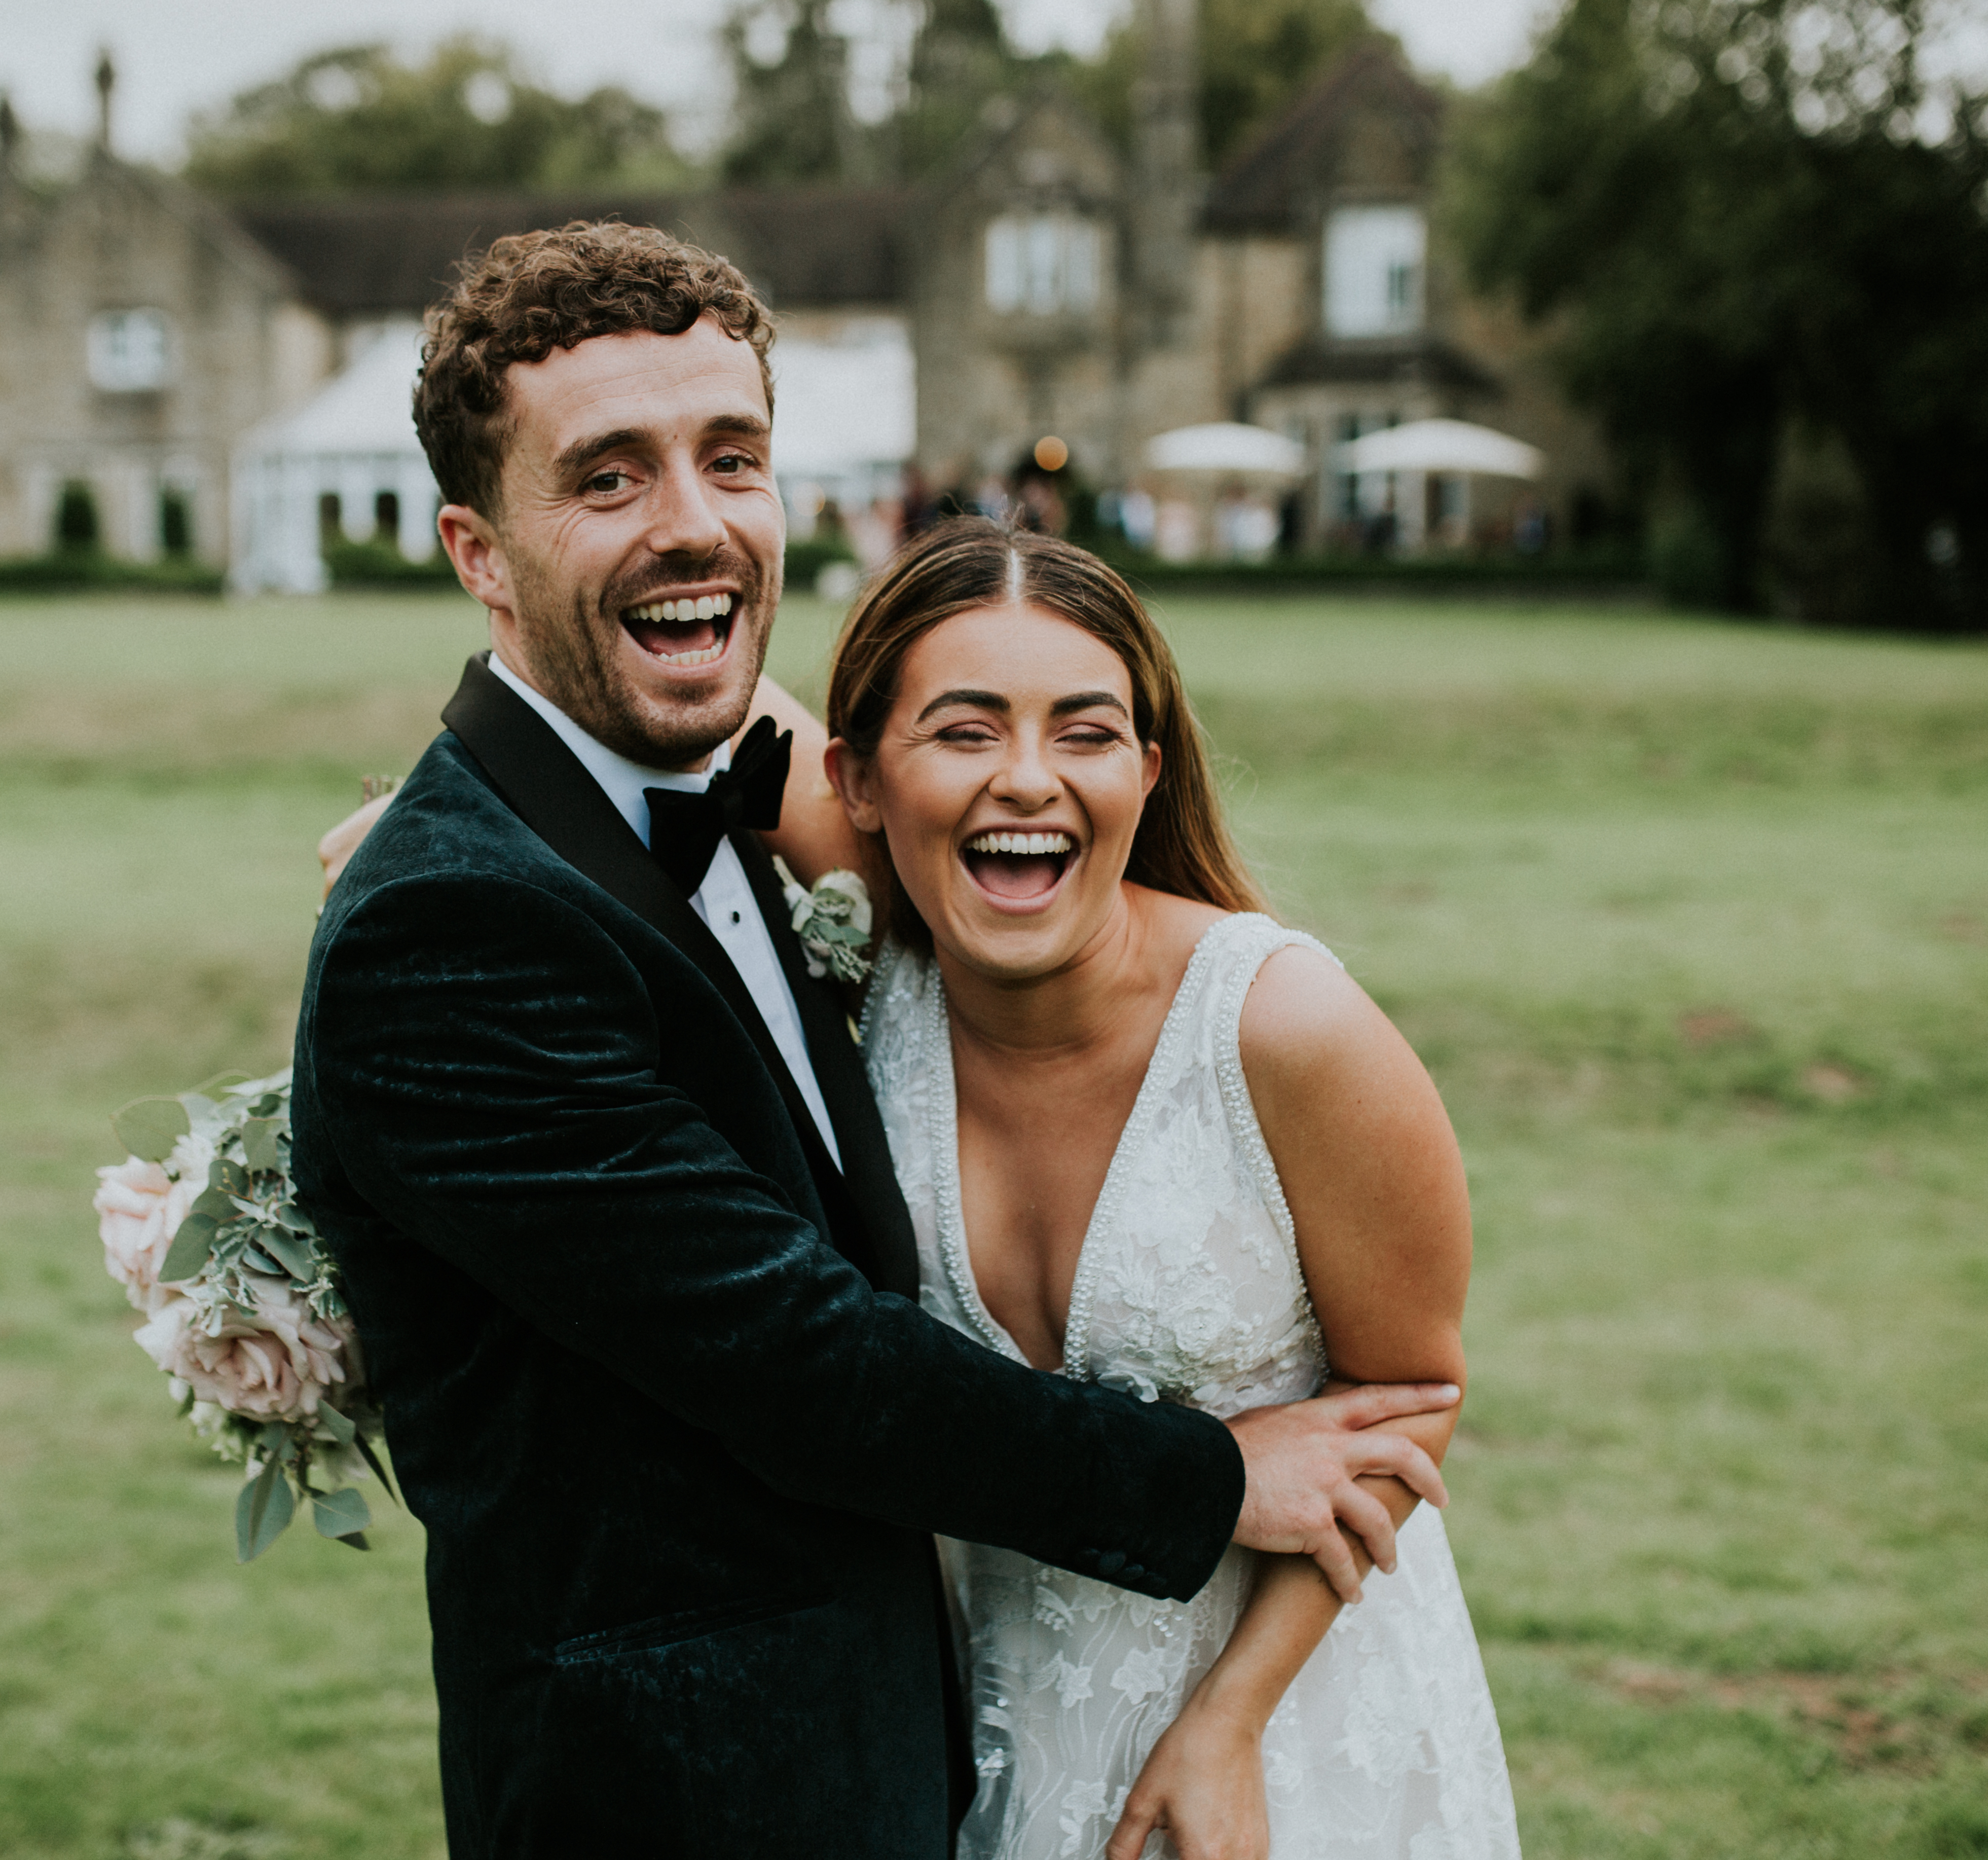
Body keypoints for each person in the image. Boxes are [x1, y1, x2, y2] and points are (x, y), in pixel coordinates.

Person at [292, 222, 1459, 1860]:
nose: (694, 522)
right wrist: (1203, 1485)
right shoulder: (457, 924)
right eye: (609, 479)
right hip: (680, 1795)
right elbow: (796, 1359)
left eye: (734, 458)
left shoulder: (717, 806)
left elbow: (893, 750)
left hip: (915, 1757)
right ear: (480, 553)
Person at [799, 519, 1523, 1860]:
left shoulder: (1285, 1029)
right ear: (862, 779)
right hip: (994, 1746)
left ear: (1148, 766)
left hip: (1293, 1735)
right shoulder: (882, 983)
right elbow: (675, 733)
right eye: (963, 732)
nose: (1027, 780)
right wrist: (462, 816)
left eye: (1084, 731)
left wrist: (1228, 1724)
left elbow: (1412, 1403)